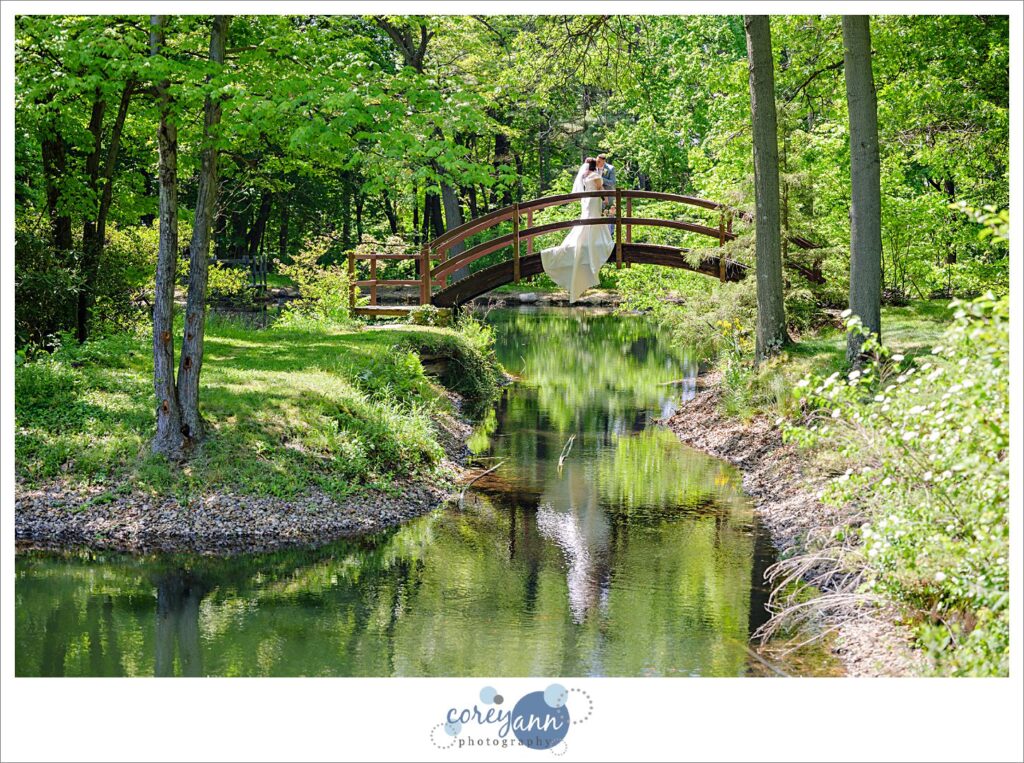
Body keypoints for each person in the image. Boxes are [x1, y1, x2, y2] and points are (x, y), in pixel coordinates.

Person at [540, 158, 615, 302]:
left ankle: (584, 239)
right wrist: (606, 200)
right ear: (595, 165)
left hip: (587, 201)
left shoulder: (585, 175)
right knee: (594, 219)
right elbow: (600, 189)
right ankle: (594, 240)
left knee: (588, 220)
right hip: (594, 201)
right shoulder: (596, 176)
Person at [597, 154, 616, 235]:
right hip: (596, 196)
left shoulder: (611, 168)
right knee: (598, 214)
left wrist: (600, 179)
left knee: (609, 214)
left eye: (599, 161)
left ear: (604, 161)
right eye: (597, 161)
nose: (597, 163)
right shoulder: (593, 167)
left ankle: (610, 234)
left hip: (608, 195)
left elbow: (612, 182)